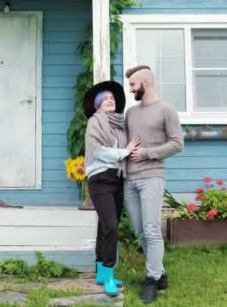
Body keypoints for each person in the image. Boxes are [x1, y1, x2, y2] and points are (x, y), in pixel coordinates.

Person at [123, 65, 184, 304]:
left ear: (146, 82)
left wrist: (147, 153)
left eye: (132, 84)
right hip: (129, 179)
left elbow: (177, 143)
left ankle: (151, 279)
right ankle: (160, 274)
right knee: (140, 232)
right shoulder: (131, 113)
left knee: (151, 229)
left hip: (151, 177)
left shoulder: (166, 109)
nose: (130, 89)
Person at [83, 81, 141, 297]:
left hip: (117, 178)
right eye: (105, 98)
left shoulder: (119, 124)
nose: (110, 100)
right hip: (100, 179)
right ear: (98, 104)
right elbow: (98, 151)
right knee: (111, 226)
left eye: (113, 98)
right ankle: (108, 274)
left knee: (105, 226)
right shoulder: (94, 122)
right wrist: (124, 152)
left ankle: (100, 271)